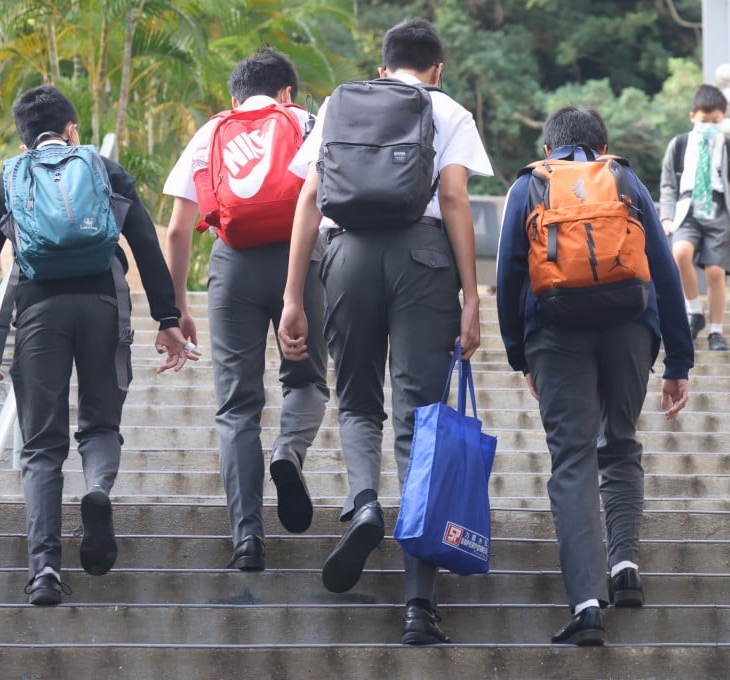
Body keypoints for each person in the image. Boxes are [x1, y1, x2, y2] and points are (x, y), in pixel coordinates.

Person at [278, 18, 492, 645]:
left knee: (358, 399)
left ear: (382, 66)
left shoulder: (338, 105)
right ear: (437, 69)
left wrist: (294, 296)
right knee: (421, 420)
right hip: (423, 260)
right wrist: (470, 294)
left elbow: (310, 199)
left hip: (346, 259)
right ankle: (419, 606)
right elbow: (454, 199)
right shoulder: (449, 110)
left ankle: (366, 501)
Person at [0, 84, 196, 605]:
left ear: (24, 141)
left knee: (41, 445)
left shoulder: (9, 179)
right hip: (103, 306)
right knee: (99, 424)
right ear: (72, 131)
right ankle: (96, 489)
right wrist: (167, 317)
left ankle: (44, 569)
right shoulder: (101, 169)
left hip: (39, 311)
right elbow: (144, 243)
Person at [496, 106, 693, 645]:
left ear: (547, 148)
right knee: (621, 441)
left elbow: (509, 272)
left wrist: (520, 354)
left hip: (554, 333)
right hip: (631, 327)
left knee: (573, 458)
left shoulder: (529, 187)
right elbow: (663, 266)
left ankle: (586, 604)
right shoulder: (624, 179)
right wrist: (679, 359)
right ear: (601, 146)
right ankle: (624, 565)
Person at [162, 47, 329, 571]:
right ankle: (288, 452)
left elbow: (176, 228)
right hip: (299, 260)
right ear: (287, 94)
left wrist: (176, 309)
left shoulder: (212, 131)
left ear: (235, 96)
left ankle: (247, 539)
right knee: (306, 380)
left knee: (236, 408)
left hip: (231, 267)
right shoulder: (305, 121)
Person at [659, 84, 730, 351]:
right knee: (680, 254)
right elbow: (667, 185)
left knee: (715, 272)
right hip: (687, 208)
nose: (710, 125)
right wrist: (666, 216)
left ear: (723, 119)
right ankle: (694, 311)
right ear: (692, 117)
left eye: (716, 121)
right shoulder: (679, 145)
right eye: (704, 120)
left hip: (720, 210)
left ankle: (716, 331)